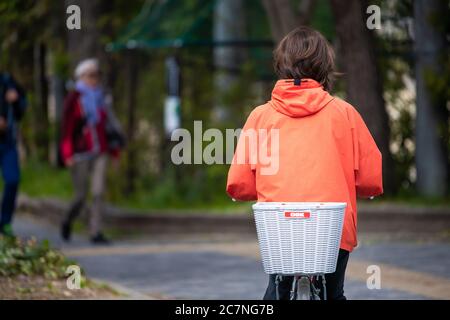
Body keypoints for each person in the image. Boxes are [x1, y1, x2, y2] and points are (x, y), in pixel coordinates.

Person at [226, 27, 383, 300]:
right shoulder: (345, 114)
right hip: (332, 231)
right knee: (333, 294)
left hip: (280, 230)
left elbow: (238, 183)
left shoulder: (260, 117)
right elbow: (371, 179)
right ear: (325, 66)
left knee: (276, 291)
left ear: (281, 65)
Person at [60, 58, 124, 244]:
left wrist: (115, 152)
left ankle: (95, 232)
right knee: (80, 195)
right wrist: (67, 153)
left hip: (101, 150)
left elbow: (110, 125)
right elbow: (67, 128)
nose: (95, 79)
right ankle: (67, 219)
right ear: (81, 77)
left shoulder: (102, 98)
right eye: (91, 75)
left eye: (97, 75)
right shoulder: (74, 98)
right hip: (80, 151)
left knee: (98, 192)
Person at [0, 72, 27, 237]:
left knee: (13, 180)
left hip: (7, 142)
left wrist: (16, 101)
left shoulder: (8, 81)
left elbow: (21, 111)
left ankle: (5, 222)